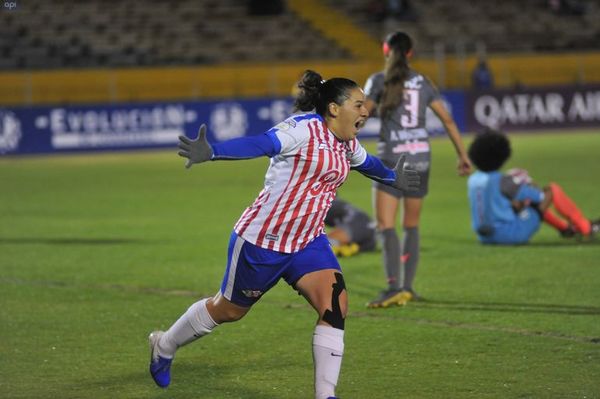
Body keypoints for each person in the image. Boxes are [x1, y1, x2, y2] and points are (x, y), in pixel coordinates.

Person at [148, 69, 420, 399]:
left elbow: (367, 164)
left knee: (335, 306)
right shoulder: (302, 130)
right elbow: (261, 143)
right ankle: (164, 345)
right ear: (334, 108)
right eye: (359, 104)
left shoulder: (347, 143)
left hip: (308, 241)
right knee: (228, 310)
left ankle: (325, 395)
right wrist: (214, 151)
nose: (366, 111)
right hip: (263, 241)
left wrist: (393, 178)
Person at [363, 31, 472, 308]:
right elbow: (446, 119)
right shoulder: (423, 82)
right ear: (410, 53)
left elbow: (361, 115)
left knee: (386, 226)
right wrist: (462, 154)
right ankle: (408, 288)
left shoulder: (379, 81)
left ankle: (393, 288)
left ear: (385, 50)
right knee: (411, 225)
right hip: (420, 158)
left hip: (391, 161)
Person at [467, 128, 599, 244]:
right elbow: (539, 197)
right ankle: (585, 227)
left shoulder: (472, 180)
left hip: (484, 237)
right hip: (510, 235)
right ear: (502, 156)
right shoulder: (501, 180)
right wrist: (530, 186)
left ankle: (566, 229)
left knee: (523, 206)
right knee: (552, 190)